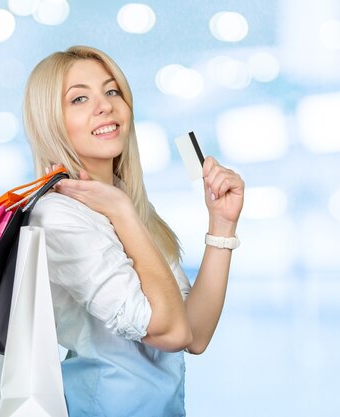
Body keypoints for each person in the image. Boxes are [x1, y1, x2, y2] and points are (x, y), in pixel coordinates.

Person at [23, 45, 244, 416]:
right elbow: (171, 333)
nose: (105, 105)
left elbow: (195, 333)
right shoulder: (58, 216)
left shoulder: (124, 202)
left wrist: (222, 224)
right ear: (50, 121)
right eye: (79, 98)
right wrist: (122, 212)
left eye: (112, 91)